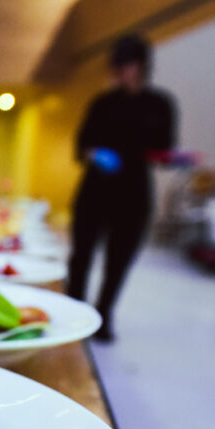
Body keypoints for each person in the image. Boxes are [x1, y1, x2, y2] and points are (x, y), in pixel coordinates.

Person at [68, 34, 177, 342]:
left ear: (140, 65)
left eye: (125, 65)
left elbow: (165, 146)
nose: (119, 71)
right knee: (81, 255)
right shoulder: (102, 103)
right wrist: (95, 154)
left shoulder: (160, 104)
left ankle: (103, 315)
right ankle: (74, 314)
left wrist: (169, 157)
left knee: (118, 260)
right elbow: (81, 145)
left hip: (133, 192)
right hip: (95, 189)